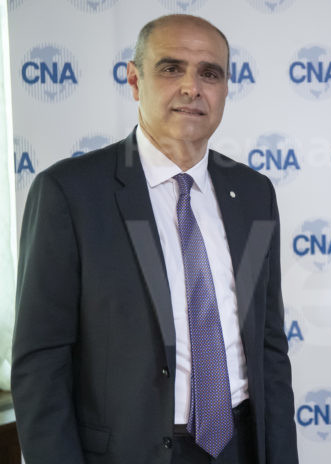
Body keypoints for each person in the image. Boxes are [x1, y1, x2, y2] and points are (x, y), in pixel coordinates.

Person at [12, 14, 298, 464]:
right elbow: (41, 364)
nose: (191, 87)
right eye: (171, 68)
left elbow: (269, 347)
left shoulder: (254, 193)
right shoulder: (70, 193)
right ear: (134, 80)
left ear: (225, 88)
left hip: (241, 445)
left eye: (210, 73)